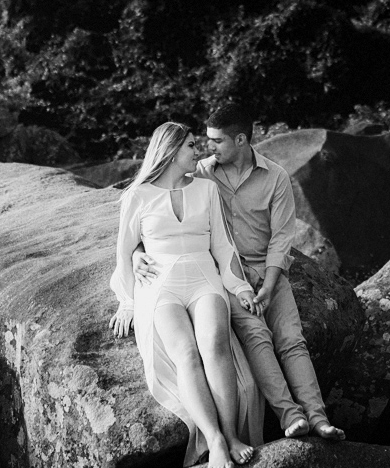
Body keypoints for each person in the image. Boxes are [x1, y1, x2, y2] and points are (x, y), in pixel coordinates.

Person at [136, 104, 345, 442]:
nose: (209, 148)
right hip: (228, 276)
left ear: (241, 139)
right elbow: (157, 206)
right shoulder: (201, 174)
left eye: (217, 141)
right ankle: (290, 416)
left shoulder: (275, 177)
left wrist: (271, 283)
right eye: (205, 141)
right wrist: (135, 254)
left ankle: (319, 419)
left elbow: (282, 238)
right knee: (256, 337)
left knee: (293, 341)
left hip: (271, 271)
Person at [109, 121, 265, 468]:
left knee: (214, 343)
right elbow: (124, 250)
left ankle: (231, 433)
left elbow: (223, 246)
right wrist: (128, 300)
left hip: (203, 278)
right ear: (170, 150)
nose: (200, 152)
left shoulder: (206, 190)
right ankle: (214, 440)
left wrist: (239, 287)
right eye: (192, 147)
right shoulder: (138, 195)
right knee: (185, 353)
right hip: (159, 285)